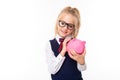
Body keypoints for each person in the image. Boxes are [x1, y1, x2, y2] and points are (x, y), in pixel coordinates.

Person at [45, 6, 86, 80]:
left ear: (74, 29)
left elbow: (82, 69)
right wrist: (63, 51)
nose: (65, 28)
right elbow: (52, 70)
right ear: (58, 22)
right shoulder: (50, 44)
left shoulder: (77, 44)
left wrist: (82, 61)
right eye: (62, 23)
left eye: (70, 26)